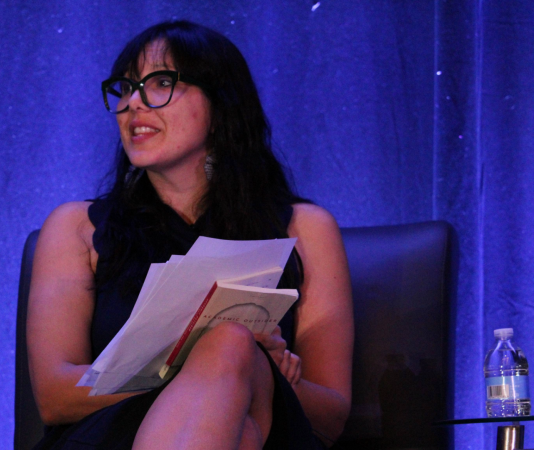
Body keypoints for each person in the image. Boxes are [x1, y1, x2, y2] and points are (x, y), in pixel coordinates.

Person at [27, 20, 353, 450]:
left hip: (275, 427)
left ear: (221, 106)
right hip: (108, 436)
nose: (133, 105)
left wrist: (264, 373)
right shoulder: (76, 227)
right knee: (232, 355)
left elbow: (331, 413)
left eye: (160, 82)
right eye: (125, 88)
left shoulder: (306, 228)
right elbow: (54, 396)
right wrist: (212, 363)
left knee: (233, 355)